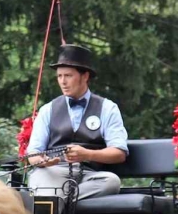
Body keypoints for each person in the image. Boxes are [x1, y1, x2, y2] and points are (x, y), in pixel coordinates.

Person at [24, 43, 128, 200]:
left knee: (111, 182)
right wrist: (43, 161)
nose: (63, 82)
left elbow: (119, 153)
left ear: (85, 76)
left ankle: (59, 201)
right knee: (41, 180)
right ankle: (62, 200)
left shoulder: (108, 108)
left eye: (68, 76)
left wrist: (88, 154)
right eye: (59, 76)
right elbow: (33, 153)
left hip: (90, 175)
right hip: (53, 173)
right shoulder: (48, 109)